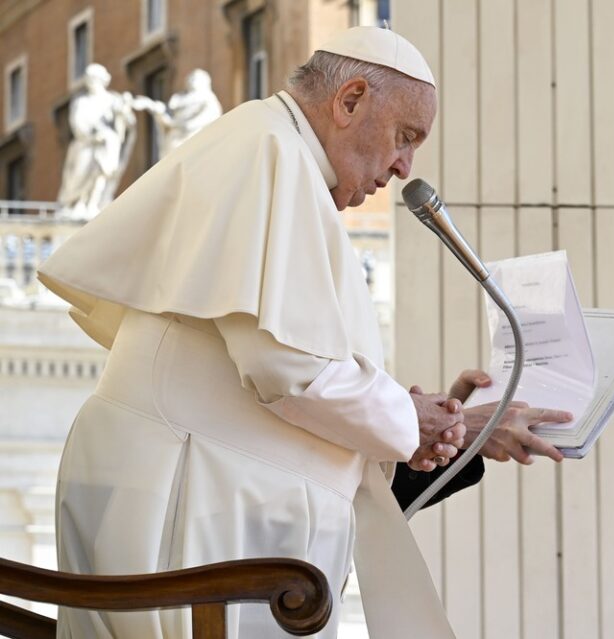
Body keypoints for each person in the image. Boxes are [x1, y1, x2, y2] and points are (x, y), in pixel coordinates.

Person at [39, 27, 569, 638]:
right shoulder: (269, 150)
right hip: (175, 498)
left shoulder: (277, 152)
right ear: (349, 101)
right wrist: (405, 416)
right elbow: (287, 370)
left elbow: (275, 372)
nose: (404, 167)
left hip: (186, 489)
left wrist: (433, 424)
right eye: (405, 138)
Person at [57, 64, 142, 220]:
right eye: (89, 79)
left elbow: (127, 122)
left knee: (102, 172)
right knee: (79, 176)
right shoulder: (81, 102)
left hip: (107, 144)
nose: (92, 82)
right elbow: (77, 123)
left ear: (103, 80)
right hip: (86, 144)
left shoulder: (113, 100)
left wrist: (123, 112)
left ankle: (93, 204)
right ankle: (77, 203)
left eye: (95, 78)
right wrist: (92, 135)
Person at [144, 69, 224, 158]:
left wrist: (177, 124)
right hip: (174, 140)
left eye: (195, 78)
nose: (192, 81)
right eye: (191, 78)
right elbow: (167, 115)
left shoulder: (208, 99)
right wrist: (158, 111)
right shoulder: (178, 98)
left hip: (193, 138)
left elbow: (206, 117)